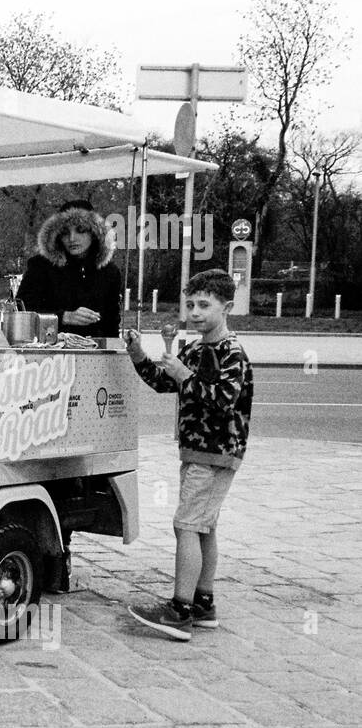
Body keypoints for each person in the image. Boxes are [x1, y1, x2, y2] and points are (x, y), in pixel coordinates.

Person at [123, 269, 254, 641]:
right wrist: (137, 354)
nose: (195, 312)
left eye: (204, 305)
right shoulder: (197, 349)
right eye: (190, 304)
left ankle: (179, 611)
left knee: (186, 525)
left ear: (226, 307)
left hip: (215, 452)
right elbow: (164, 382)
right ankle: (203, 602)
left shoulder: (231, 352)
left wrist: (184, 376)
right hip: (198, 450)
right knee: (204, 526)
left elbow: (222, 400)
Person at [15, 199, 122, 337]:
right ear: (57, 235)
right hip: (49, 352)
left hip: (95, 352)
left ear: (95, 233)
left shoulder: (110, 272)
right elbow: (21, 310)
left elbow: (112, 324)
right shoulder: (41, 266)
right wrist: (63, 317)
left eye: (80, 230)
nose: (72, 238)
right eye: (65, 232)